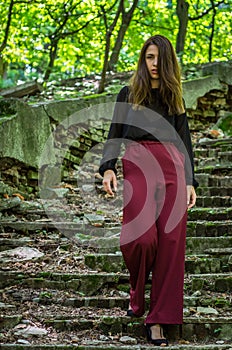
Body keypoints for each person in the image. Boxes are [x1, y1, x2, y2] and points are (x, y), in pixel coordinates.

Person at [99, 34, 198, 347]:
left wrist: (191, 181)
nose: (154, 64)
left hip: (173, 167)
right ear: (143, 59)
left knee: (171, 243)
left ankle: (157, 321)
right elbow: (114, 134)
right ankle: (136, 288)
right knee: (141, 238)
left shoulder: (174, 96)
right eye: (149, 57)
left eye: (159, 59)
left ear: (168, 62)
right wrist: (108, 168)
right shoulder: (129, 93)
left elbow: (185, 142)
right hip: (139, 164)